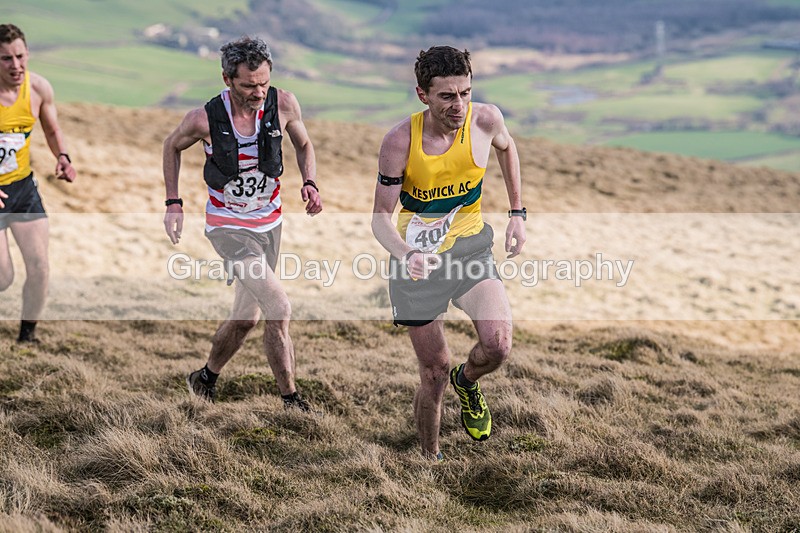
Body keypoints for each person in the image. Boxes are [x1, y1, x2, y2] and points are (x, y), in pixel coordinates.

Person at [371, 46, 526, 459]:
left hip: (471, 247)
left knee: (498, 346)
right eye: (447, 96)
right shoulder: (400, 141)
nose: (459, 105)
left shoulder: (485, 119)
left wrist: (517, 213)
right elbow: (380, 219)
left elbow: (507, 149)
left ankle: (469, 380)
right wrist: (406, 254)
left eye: (465, 93)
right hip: (417, 263)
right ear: (423, 94)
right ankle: (430, 458)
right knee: (433, 373)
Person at [162, 36, 322, 409]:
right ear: (227, 79)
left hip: (270, 225)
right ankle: (291, 400)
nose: (258, 92)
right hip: (228, 227)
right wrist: (173, 202)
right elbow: (171, 146)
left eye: (264, 83)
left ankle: (204, 378)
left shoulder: (283, 103)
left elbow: (304, 144)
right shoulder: (203, 118)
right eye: (249, 85)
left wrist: (310, 182)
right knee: (279, 307)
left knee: (244, 320)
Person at [0, 24, 77, 343]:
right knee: (3, 279)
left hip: (22, 189)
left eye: (20, 56)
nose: (16, 65)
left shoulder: (39, 88)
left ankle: (26, 337)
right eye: (5, 59)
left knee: (40, 267)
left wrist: (63, 156)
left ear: (28, 53)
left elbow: (51, 129)